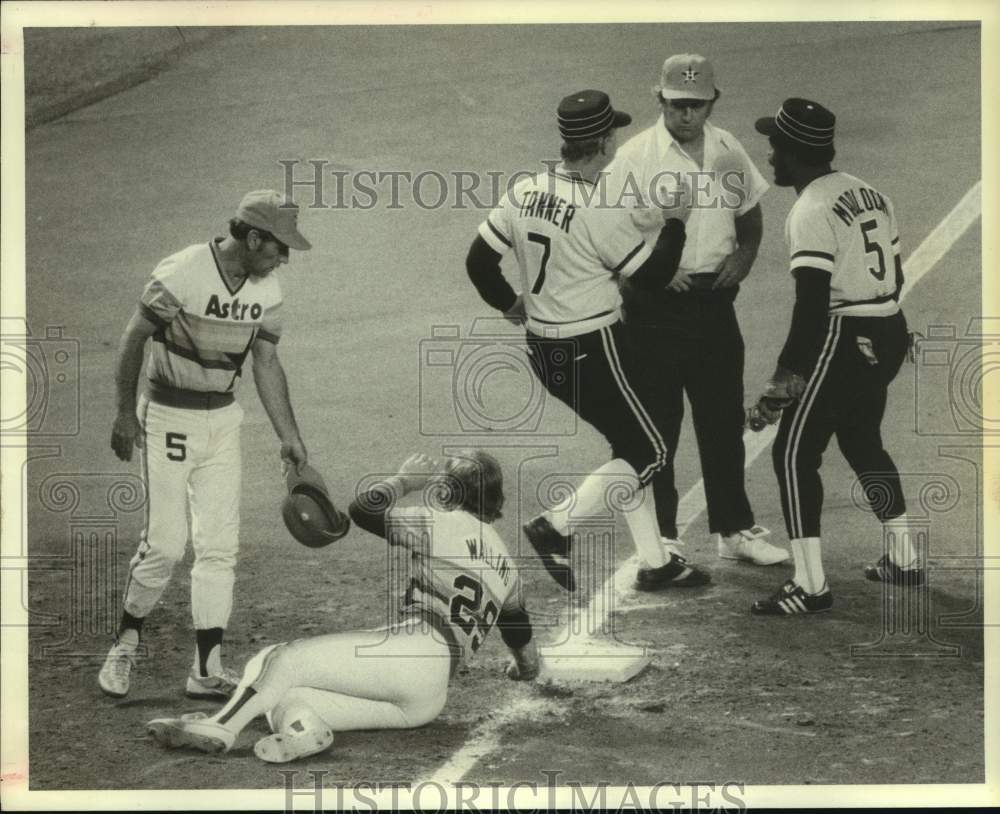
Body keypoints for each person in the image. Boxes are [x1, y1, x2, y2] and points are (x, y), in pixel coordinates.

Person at [146, 451, 539, 763]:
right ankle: (304, 730)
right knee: (284, 696)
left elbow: (363, 510)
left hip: (406, 658)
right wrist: (522, 671)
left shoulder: (443, 521)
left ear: (449, 492)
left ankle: (220, 726)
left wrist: (403, 481)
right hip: (427, 700)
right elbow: (523, 645)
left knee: (278, 659)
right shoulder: (510, 571)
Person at [466, 88, 709, 592]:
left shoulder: (525, 189)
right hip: (594, 349)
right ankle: (554, 525)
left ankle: (655, 562)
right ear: (602, 142)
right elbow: (652, 275)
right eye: (613, 133)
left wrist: (510, 303)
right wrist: (677, 223)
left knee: (628, 444)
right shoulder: (596, 206)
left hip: (543, 351)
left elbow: (478, 262)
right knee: (651, 450)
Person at [99, 190, 312, 699]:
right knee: (167, 545)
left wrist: (290, 437)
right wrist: (126, 413)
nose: (284, 259)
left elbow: (265, 362)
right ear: (254, 237)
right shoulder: (184, 271)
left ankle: (206, 669)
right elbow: (133, 340)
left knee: (219, 547)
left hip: (222, 424)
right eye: (279, 248)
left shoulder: (268, 290)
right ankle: (124, 647)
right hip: (168, 417)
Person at [607, 54, 790, 567]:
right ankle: (663, 535)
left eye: (697, 105)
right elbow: (606, 234)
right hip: (653, 309)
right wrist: (652, 269)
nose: (687, 114)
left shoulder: (728, 147)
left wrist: (745, 256)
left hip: (713, 306)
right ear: (659, 99)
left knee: (722, 420)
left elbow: (749, 216)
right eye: (677, 104)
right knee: (658, 425)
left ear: (714, 101)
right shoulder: (635, 157)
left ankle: (733, 529)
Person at [748, 98, 919, 615]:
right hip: (889, 329)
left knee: (793, 455)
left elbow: (811, 306)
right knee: (864, 440)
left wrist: (783, 381)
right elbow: (897, 273)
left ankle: (809, 585)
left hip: (845, 337)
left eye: (775, 144)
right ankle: (904, 559)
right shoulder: (870, 192)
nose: (771, 154)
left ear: (796, 151)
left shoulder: (810, 211)